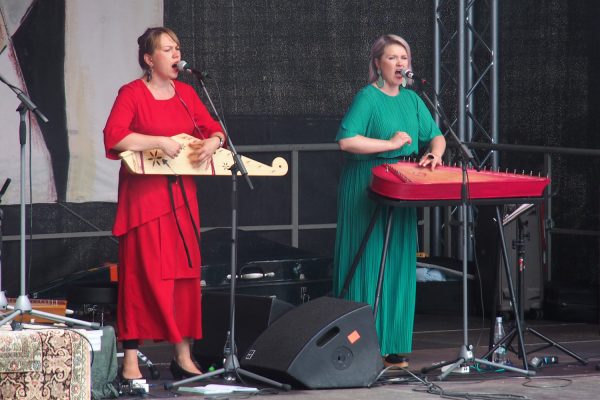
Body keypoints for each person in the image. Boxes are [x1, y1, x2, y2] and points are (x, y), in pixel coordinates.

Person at [103, 27, 225, 382]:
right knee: (141, 278)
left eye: (177, 49)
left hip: (182, 199)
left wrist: (214, 142)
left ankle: (183, 355)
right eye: (168, 49)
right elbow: (115, 136)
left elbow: (213, 127)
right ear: (149, 58)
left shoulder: (186, 92)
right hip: (145, 200)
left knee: (185, 277)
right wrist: (158, 141)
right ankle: (130, 361)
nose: (176, 55)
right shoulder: (132, 93)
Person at [332, 34, 446, 367]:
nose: (400, 64)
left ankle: (392, 344)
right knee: (366, 263)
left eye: (404, 58)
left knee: (398, 263)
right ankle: (360, 345)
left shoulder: (412, 100)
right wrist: (391, 143)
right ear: (378, 64)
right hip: (366, 186)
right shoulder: (367, 97)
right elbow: (346, 141)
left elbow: (436, 137)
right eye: (393, 58)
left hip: (402, 187)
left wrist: (434, 156)